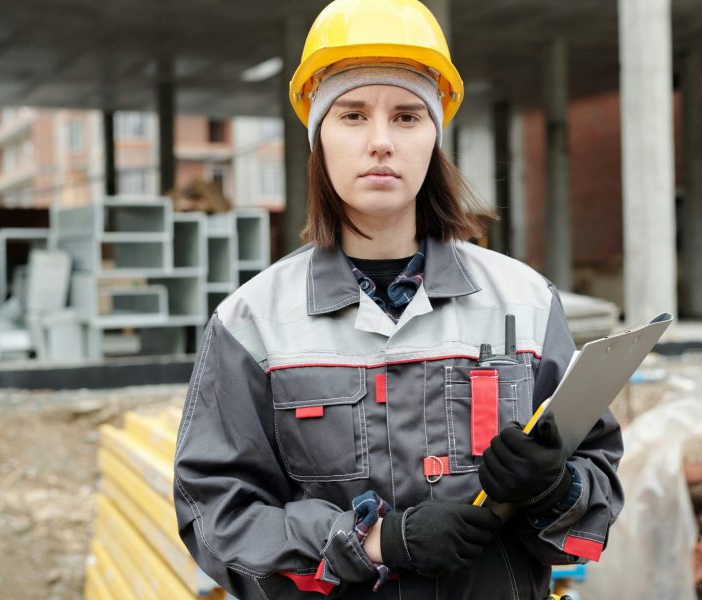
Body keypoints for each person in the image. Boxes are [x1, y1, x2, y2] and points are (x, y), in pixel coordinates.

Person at [172, 0, 623, 598]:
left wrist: (552, 487)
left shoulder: (526, 301)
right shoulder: (252, 321)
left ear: (434, 135)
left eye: (408, 117)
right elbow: (214, 514)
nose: (381, 141)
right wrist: (376, 542)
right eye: (353, 115)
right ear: (319, 137)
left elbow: (597, 488)